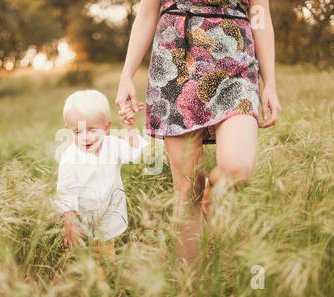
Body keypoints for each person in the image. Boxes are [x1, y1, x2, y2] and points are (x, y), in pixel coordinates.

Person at [116, 0, 282, 268]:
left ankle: (210, 194)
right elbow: (147, 14)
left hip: (235, 60)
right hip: (175, 61)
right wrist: (126, 76)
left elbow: (260, 15)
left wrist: (270, 83)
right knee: (186, 189)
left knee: (238, 169)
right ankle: (192, 286)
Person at [53, 89, 151, 263]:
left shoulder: (112, 145)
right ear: (68, 129)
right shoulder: (70, 157)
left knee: (105, 259)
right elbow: (66, 190)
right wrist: (69, 221)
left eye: (92, 130)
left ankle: (104, 282)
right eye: (78, 132)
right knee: (76, 258)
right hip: (79, 221)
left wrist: (129, 128)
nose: (85, 137)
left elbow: (133, 152)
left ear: (106, 127)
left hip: (107, 218)